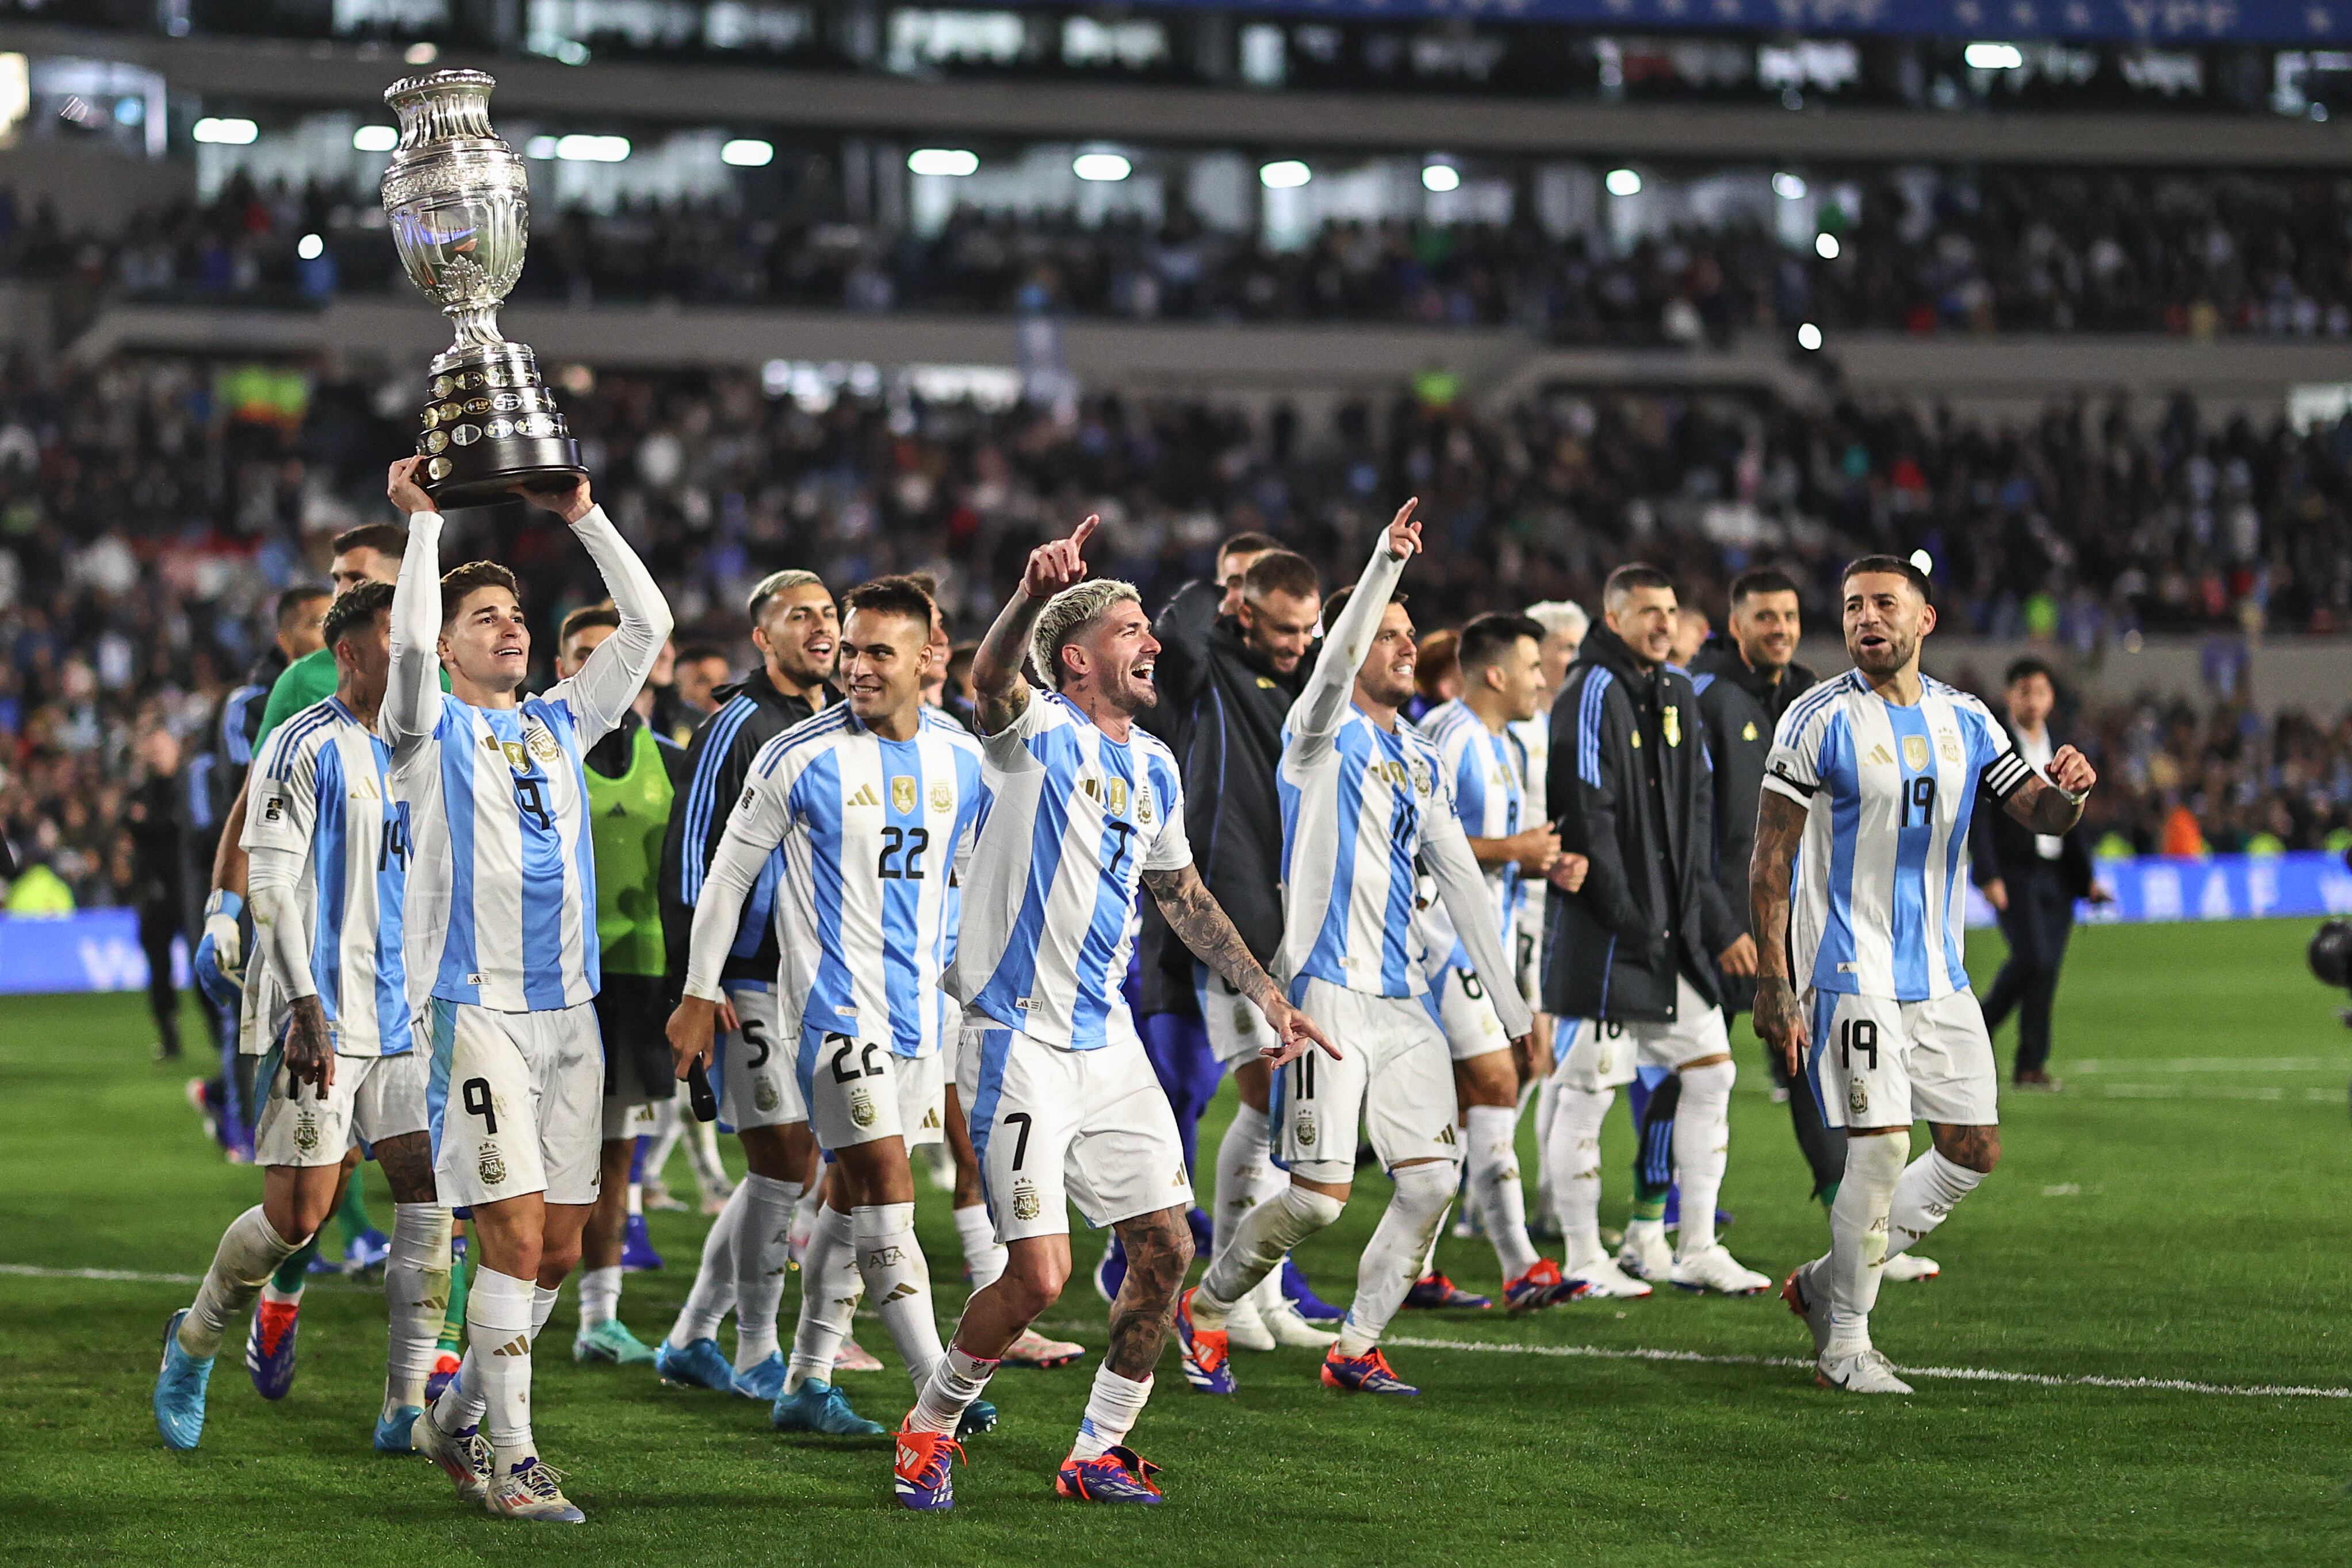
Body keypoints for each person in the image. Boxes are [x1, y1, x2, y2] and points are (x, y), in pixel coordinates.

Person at [891, 515, 1333, 1511]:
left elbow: (1178, 889)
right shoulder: (1032, 731)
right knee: (1040, 1275)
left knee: (1169, 1247)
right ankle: (931, 1421)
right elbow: (988, 680)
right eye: (1134, 629)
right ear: (1079, 656)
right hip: (1017, 1037)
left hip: (1108, 1036)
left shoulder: (1156, 764)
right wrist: (1025, 593)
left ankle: (1097, 1449)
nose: (1156, 642)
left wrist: (1265, 990)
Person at [1177, 499, 1530, 1400]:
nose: (1406, 647)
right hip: (1321, 994)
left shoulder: (1420, 754)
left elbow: (1461, 882)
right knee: (1317, 1199)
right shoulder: (1316, 734)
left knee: (1428, 1183)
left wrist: (1514, 1010)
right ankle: (1208, 1306)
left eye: (1410, 635)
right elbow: (1334, 663)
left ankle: (1356, 1344)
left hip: (1400, 999)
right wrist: (1384, 565)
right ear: (1354, 639)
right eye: (1389, 634)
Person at [386, 457, 673, 1521]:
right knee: (508, 1232)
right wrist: (423, 531)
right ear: (453, 642)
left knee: (557, 1243)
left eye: (515, 614)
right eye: (487, 617)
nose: (510, 628)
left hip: (572, 1014)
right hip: (477, 1012)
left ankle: (454, 1410)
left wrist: (587, 517)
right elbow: (409, 645)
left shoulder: (558, 722)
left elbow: (645, 627)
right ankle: (515, 1457)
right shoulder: (421, 734)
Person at [1755, 556, 2097, 1394]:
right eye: (1851, 607)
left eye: (1883, 604)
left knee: (1972, 1149)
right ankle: (1845, 1341)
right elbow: (1770, 859)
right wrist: (1773, 979)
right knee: (1878, 1145)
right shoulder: (1814, 718)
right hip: (1848, 963)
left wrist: (2072, 794)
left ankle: (1827, 1282)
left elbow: (2040, 814)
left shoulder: (1968, 721)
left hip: (1940, 975)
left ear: (1924, 621)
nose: (1865, 618)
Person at [669, 576, 994, 1439]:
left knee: (851, 1199)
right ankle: (941, 1389)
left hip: (923, 1015)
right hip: (834, 1016)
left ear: (929, 658)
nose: (854, 665)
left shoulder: (962, 757)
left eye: (876, 652)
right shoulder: (797, 753)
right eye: (850, 649)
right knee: (886, 1191)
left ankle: (807, 1377)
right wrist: (699, 992)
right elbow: (727, 877)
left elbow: (967, 883)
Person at [154, 580, 450, 1457]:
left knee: (429, 1201)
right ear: (351, 652)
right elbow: (273, 882)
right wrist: (302, 1004)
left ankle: (402, 1401)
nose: (412, 656)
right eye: (395, 641)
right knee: (295, 1217)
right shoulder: (302, 740)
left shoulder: (424, 739)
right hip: (316, 1008)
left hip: (407, 1014)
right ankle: (196, 1337)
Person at [1130, 543, 1339, 1346]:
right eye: (1281, 628)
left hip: (1296, 925)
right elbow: (1176, 633)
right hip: (1228, 925)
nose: (1295, 643)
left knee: (1279, 1108)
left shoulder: (1301, 683)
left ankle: (1263, 1294)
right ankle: (1219, 1294)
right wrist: (1213, 589)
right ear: (1240, 609)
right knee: (1259, 1098)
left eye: (1305, 629)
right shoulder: (1203, 667)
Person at [1541, 565, 1769, 1298]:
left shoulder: (1674, 693)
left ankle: (1693, 1243)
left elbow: (1696, 817)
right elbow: (1584, 812)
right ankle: (1582, 1254)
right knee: (1588, 1091)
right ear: (1613, 619)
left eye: (1672, 611)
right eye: (1648, 612)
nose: (1665, 623)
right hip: (1609, 941)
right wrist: (1630, 920)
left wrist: (1695, 921)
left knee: (1711, 1069)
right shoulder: (1589, 693)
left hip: (1668, 941)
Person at [652, 569, 838, 1398]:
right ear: (762, 637)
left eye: (829, 612)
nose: (821, 627)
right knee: (780, 1158)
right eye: (801, 616)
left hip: (815, 977)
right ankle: (759, 1348)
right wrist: (701, 977)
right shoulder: (736, 723)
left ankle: (693, 1334)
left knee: (791, 1163)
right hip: (748, 973)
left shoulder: (834, 722)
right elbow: (693, 854)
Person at [1416, 613, 1587, 1309]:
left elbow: (1493, 853)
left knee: (1462, 1107)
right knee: (1495, 1085)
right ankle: (1520, 1265)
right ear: (1494, 674)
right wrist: (1514, 851)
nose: (1543, 679)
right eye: (1533, 667)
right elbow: (1420, 842)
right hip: (1437, 940)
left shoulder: (1504, 745)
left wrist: (1542, 865)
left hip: (1485, 942)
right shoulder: (1448, 739)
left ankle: (1414, 1270)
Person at [560, 604, 687, 1367]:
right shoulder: (538, 754)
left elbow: (689, 884)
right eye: (585, 652)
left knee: (614, 1153)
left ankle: (598, 1317)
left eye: (616, 653)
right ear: (562, 664)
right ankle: (489, 1313)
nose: (603, 665)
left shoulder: (673, 763)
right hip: (553, 981)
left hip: (638, 983)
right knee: (529, 1156)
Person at [1972, 657, 2107, 1091]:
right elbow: (1980, 815)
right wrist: (1988, 873)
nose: (2033, 700)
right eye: (2024, 691)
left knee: (2046, 969)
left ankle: (2031, 1065)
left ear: (2051, 698)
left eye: (2041, 691)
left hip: (2057, 876)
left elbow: (2074, 819)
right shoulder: (1995, 744)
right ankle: (1976, 1027)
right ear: (2009, 695)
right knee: (2032, 958)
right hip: (2015, 872)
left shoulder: (2061, 748)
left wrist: (2086, 879)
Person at [1517, 600, 1587, 1229]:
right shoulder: (1516, 728)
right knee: (1521, 1063)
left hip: (1556, 911)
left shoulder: (1572, 723)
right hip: (1515, 914)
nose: (1574, 657)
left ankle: (1538, 1198)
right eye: (1564, 646)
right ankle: (1492, 1199)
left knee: (1547, 1062)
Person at [126, 726, 189, 1063]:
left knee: (207, 960)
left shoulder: (188, 787)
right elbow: (131, 822)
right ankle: (169, 1036)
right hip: (153, 891)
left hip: (188, 887)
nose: (156, 755)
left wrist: (148, 822)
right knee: (158, 966)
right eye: (152, 750)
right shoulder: (142, 790)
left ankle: (226, 1029)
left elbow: (164, 825)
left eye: (162, 749)